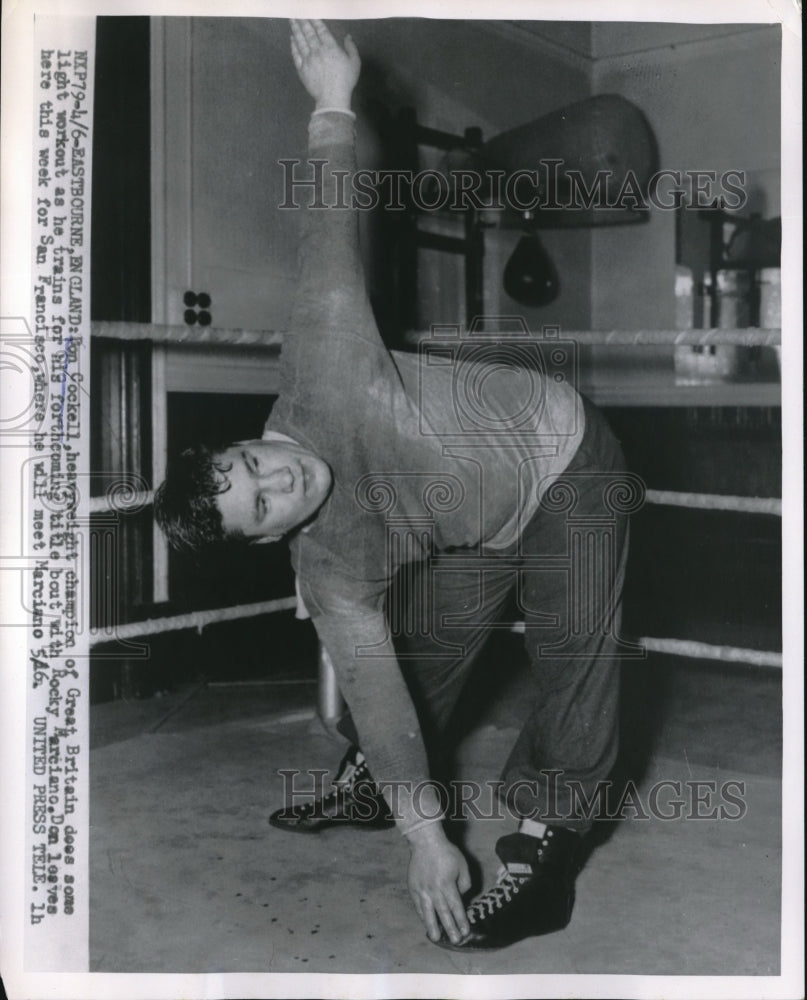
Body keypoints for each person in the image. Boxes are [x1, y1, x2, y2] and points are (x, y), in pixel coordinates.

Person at [155, 19, 633, 952]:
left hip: (566, 456)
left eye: (252, 463)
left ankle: (550, 845)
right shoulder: (328, 566)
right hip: (477, 517)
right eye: (263, 506)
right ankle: (381, 789)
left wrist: (331, 98)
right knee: (417, 657)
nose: (280, 477)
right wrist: (426, 838)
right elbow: (370, 686)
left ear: (247, 442)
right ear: (269, 543)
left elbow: (327, 237)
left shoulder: (323, 371)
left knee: (574, 640)